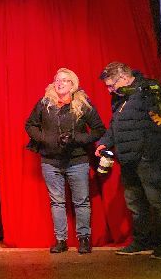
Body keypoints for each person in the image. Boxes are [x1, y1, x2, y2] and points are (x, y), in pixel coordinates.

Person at [96, 61, 161, 259]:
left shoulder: (149, 90)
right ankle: (142, 241)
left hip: (149, 156)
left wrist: (147, 150)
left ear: (124, 78)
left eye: (111, 85)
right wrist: (105, 143)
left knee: (157, 200)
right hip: (128, 157)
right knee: (135, 202)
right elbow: (115, 124)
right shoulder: (120, 97)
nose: (109, 90)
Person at [25, 68, 106, 254]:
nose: (60, 83)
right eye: (57, 80)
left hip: (77, 160)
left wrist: (76, 138)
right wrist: (45, 139)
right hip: (50, 161)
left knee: (81, 201)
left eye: (64, 80)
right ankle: (61, 240)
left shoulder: (83, 104)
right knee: (57, 202)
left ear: (72, 84)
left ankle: (84, 239)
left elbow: (98, 129)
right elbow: (30, 125)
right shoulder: (45, 103)